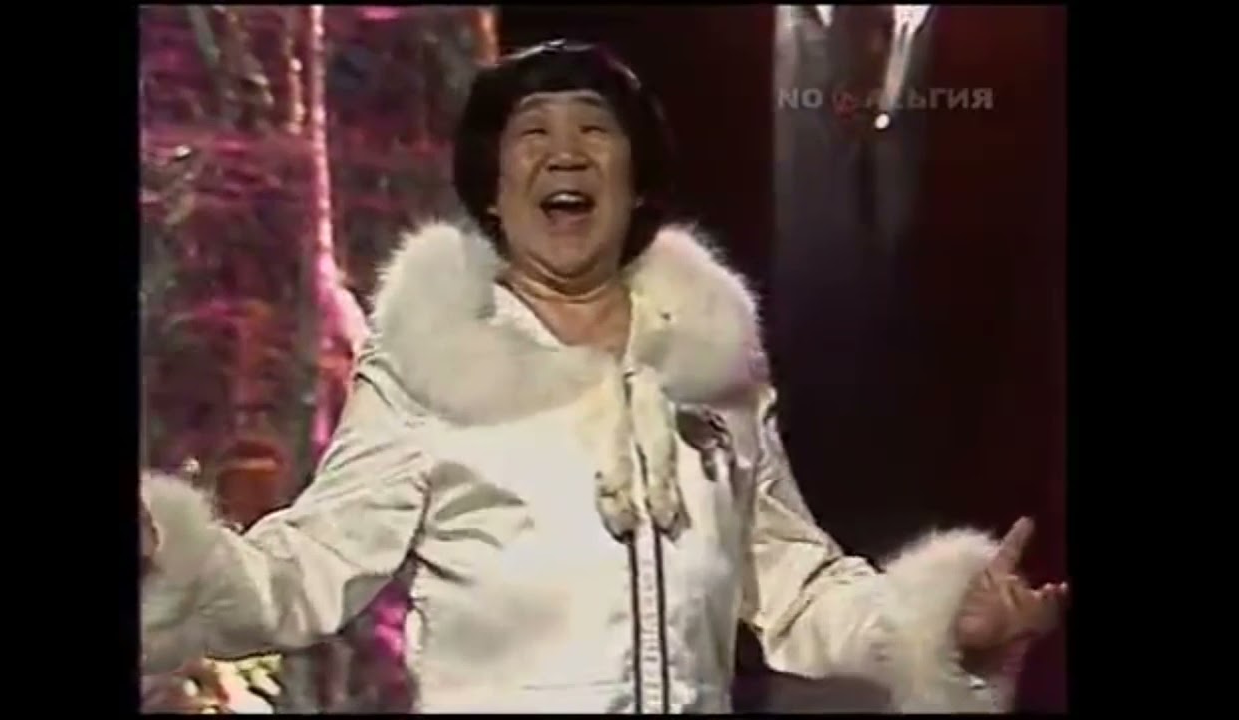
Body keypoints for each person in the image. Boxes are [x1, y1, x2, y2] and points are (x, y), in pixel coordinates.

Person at [139, 39, 1066, 713]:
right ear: (494, 190)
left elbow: (795, 587)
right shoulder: (432, 366)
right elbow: (306, 569)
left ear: (636, 181)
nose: (566, 151)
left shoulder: (712, 371)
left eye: (595, 129)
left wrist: (941, 625)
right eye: (532, 133)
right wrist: (165, 557)